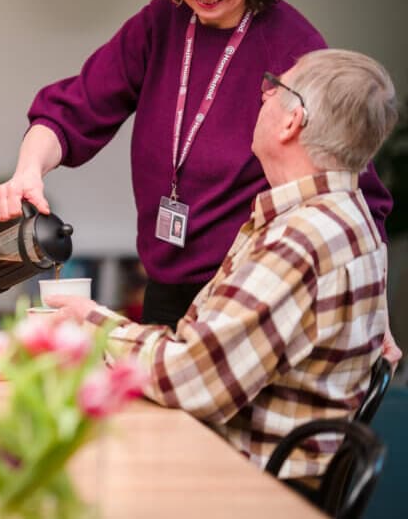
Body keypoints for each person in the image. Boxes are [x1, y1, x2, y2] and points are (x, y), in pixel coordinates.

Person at [0, 0, 399, 363]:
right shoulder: (161, 22)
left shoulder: (294, 48)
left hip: (247, 298)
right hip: (164, 285)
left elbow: (354, 190)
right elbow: (72, 109)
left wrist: (375, 314)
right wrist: (28, 172)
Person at [54, 48, 397, 478]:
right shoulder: (349, 215)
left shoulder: (300, 241)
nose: (264, 94)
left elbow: (192, 378)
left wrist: (93, 324)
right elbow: (200, 352)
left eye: (276, 87)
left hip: (243, 481)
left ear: (292, 122)